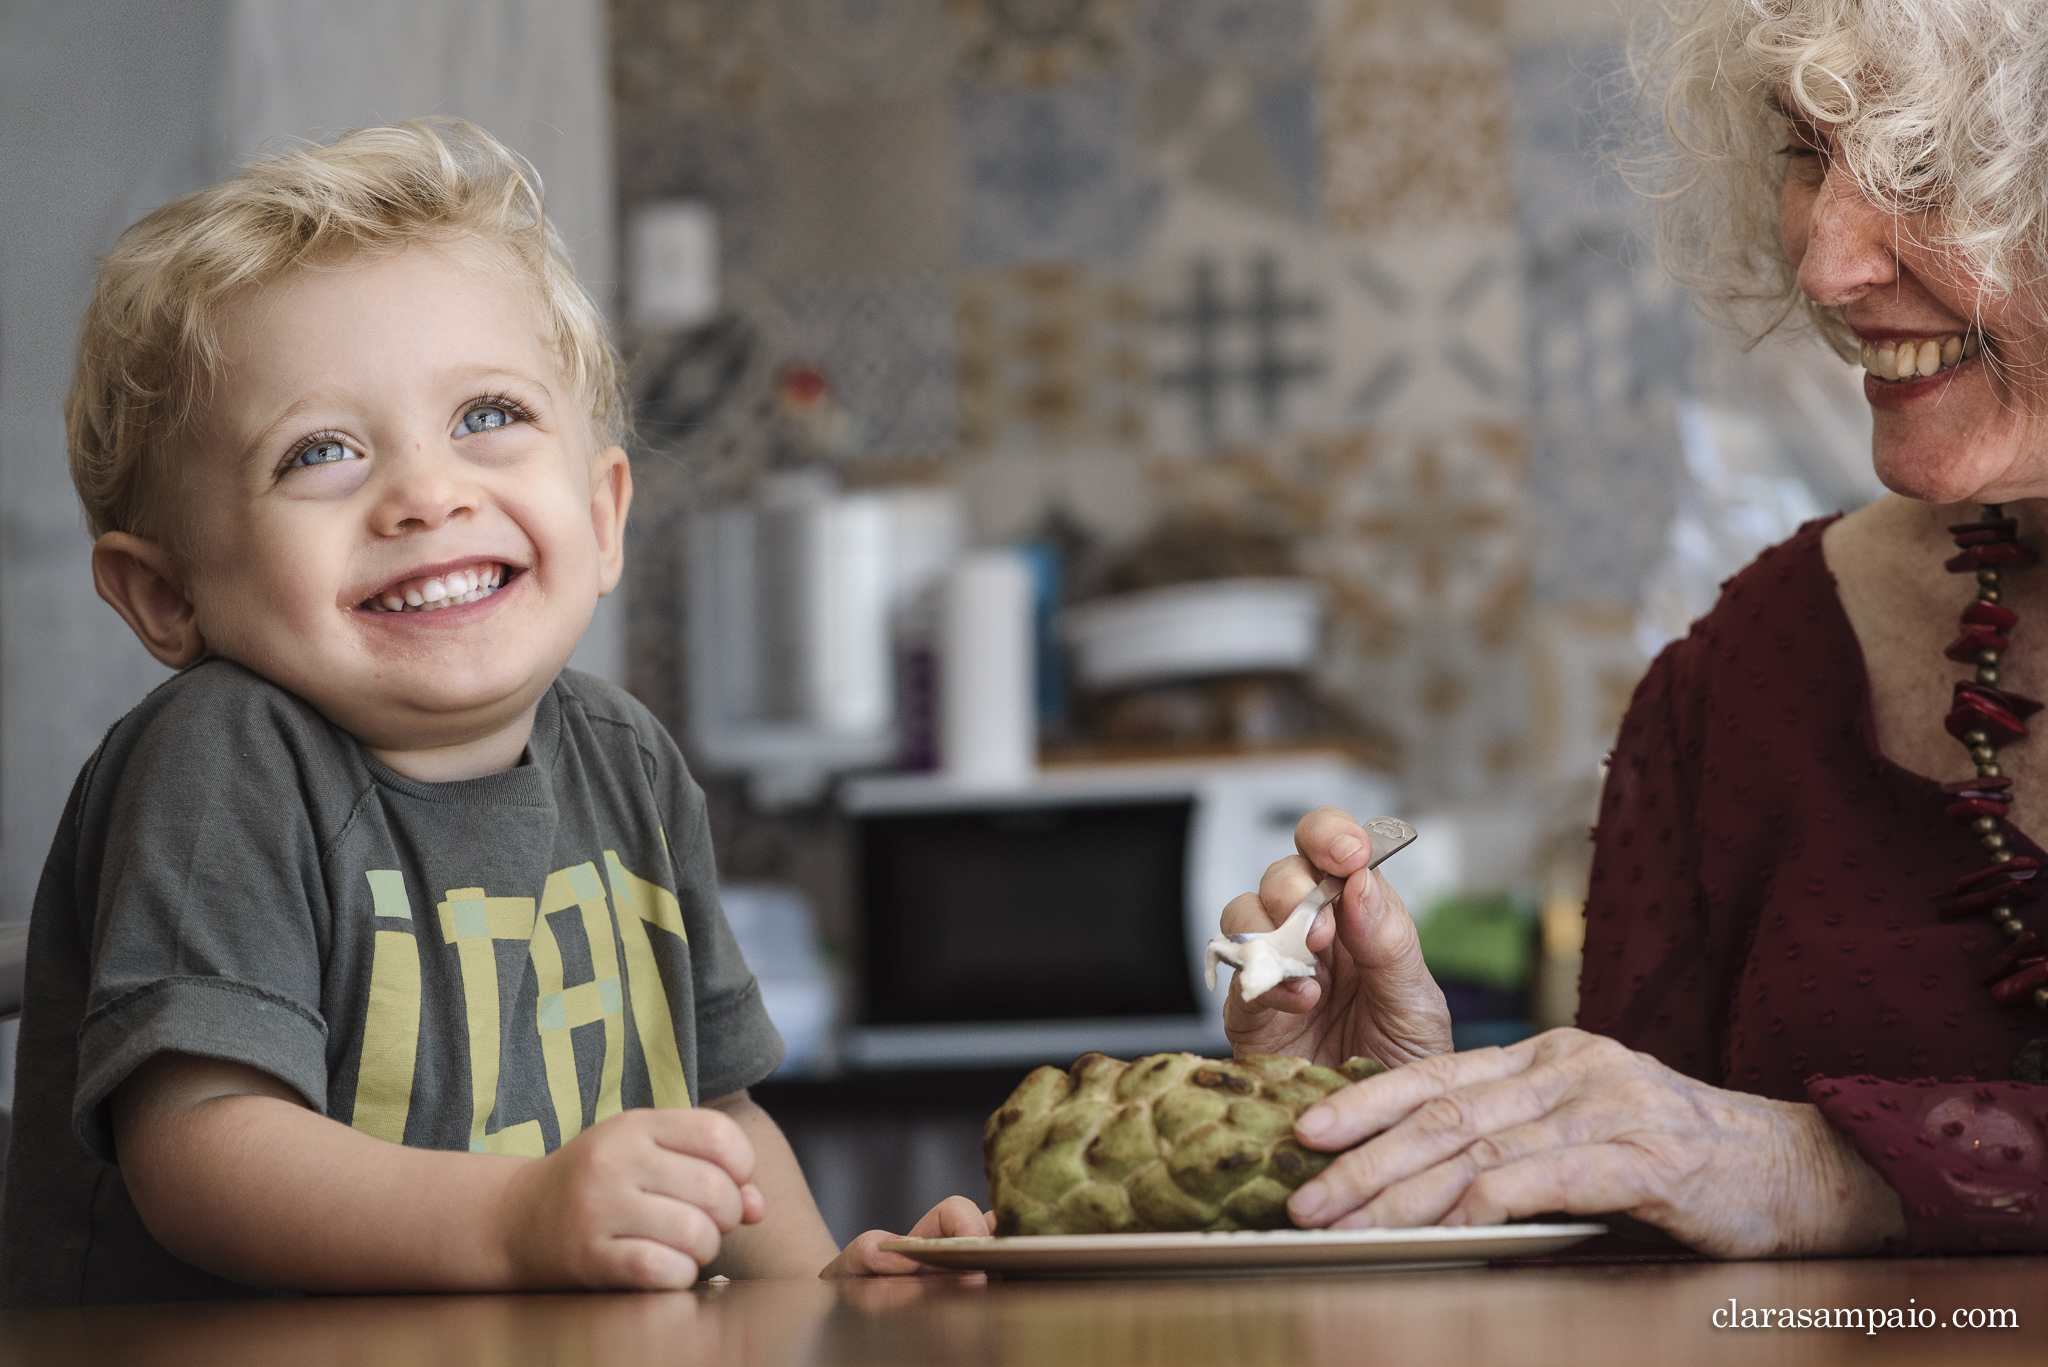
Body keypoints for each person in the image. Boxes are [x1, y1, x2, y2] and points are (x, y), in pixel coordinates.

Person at [0, 119, 984, 1307]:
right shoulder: (225, 758)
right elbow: (201, 1148)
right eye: (320, 450)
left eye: (486, 417)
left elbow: (712, 1118)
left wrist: (828, 1294)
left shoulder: (627, 762)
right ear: (167, 593)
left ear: (603, 512)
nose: (427, 492)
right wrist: (520, 1218)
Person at [1219, 0, 2048, 1258]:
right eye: (1806, 152)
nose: (1825, 264)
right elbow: (1647, 1254)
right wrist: (1395, 1132)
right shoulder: (1749, 675)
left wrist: (1827, 1166)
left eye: (1924, 168)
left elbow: (1747, 1165)